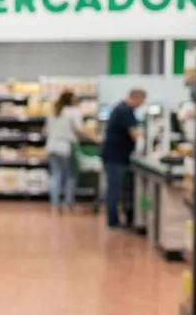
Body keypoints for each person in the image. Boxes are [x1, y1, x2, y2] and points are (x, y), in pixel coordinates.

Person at [100, 88, 147, 228]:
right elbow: (134, 134)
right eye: (142, 101)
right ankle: (113, 221)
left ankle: (117, 219)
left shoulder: (121, 108)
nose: (141, 105)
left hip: (116, 155)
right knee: (114, 190)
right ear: (137, 98)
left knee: (115, 189)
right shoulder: (124, 111)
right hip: (116, 157)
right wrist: (144, 137)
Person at [44, 90, 95, 212]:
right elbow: (79, 131)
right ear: (71, 100)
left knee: (55, 175)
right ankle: (68, 202)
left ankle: (54, 203)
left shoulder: (54, 112)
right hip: (67, 147)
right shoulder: (73, 112)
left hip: (52, 146)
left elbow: (46, 130)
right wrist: (93, 139)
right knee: (70, 175)